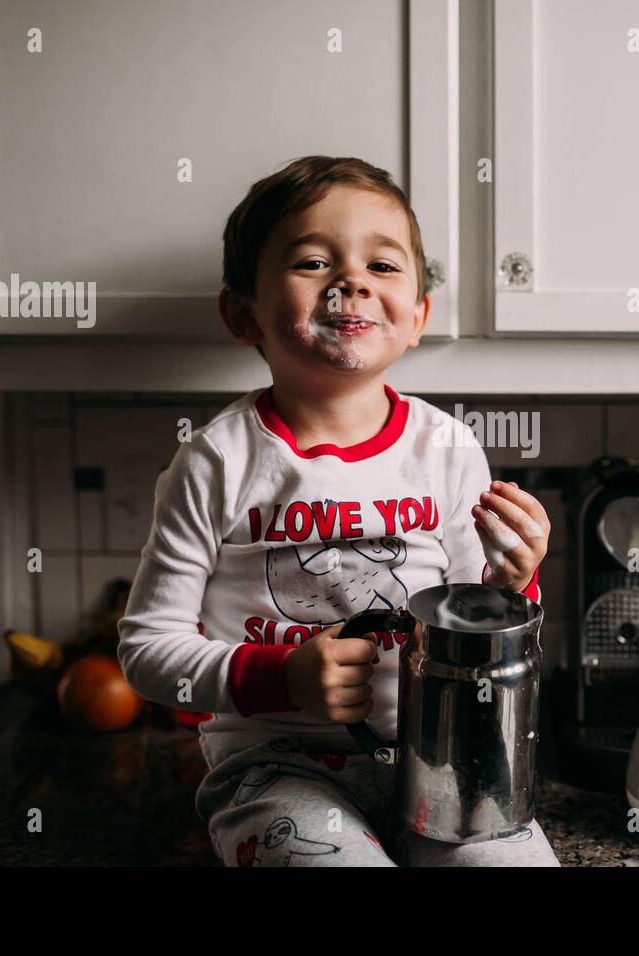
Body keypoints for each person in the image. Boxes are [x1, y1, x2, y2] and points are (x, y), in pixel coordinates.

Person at [117, 156, 559, 866]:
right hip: (274, 771)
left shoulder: (447, 449)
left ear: (417, 317)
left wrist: (514, 584)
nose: (351, 280)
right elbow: (145, 653)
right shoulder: (216, 462)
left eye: (383, 266)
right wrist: (282, 677)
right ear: (241, 312)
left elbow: (477, 629)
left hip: (441, 758)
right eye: (314, 261)